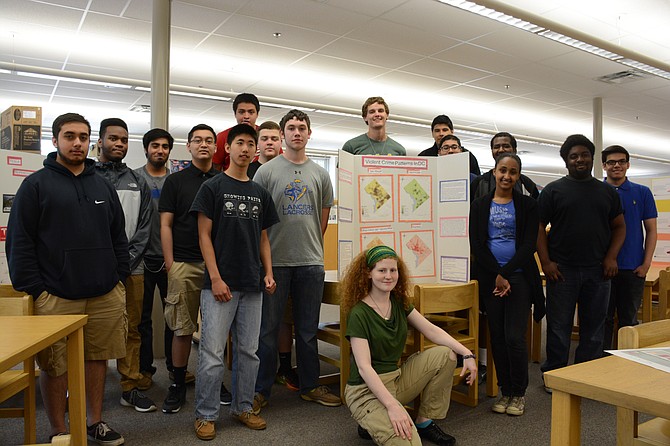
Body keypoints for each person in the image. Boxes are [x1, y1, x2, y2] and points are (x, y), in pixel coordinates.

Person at [6, 112, 129, 445]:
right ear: (55, 140)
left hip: (104, 293)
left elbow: (119, 236)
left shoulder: (102, 185)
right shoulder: (35, 186)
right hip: (57, 296)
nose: (78, 143)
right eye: (70, 136)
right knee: (55, 365)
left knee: (97, 358)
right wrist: (37, 291)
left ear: (91, 141)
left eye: (84, 137)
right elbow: (19, 243)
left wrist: (118, 278)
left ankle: (95, 422)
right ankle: (59, 429)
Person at [191, 124, 280, 440]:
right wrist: (215, 278)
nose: (245, 148)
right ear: (226, 149)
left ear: (255, 151)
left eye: (250, 144)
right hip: (220, 285)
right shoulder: (212, 187)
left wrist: (268, 273)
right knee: (212, 353)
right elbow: (203, 236)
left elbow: (264, 239)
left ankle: (243, 407)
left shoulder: (259, 192)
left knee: (248, 351)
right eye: (238, 142)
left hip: (252, 284)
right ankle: (205, 414)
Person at [342, 246, 477, 446]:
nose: (388, 276)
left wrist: (466, 353)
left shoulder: (399, 303)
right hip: (365, 390)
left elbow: (431, 330)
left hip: (395, 380)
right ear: (368, 274)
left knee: (446, 354)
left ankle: (424, 422)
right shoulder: (359, 314)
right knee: (410, 443)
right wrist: (393, 407)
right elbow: (364, 368)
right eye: (381, 270)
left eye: (393, 270)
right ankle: (370, 417)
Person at [253, 109, 340, 411]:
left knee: (306, 330)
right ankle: (260, 391)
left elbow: (323, 218)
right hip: (275, 262)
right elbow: (259, 220)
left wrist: (310, 246)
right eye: (291, 128)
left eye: (302, 127)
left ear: (309, 133)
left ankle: (310, 386)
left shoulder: (320, 173)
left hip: (310, 263)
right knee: (267, 329)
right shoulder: (265, 172)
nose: (297, 133)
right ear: (282, 134)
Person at [538, 134, 625, 388]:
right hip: (561, 271)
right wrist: (546, 262)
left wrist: (611, 257)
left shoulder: (607, 192)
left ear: (592, 159)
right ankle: (555, 376)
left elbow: (620, 227)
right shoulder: (553, 191)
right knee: (558, 326)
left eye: (584, 155)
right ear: (566, 161)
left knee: (594, 327)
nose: (579, 159)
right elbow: (538, 227)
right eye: (574, 156)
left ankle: (587, 376)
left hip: (598, 271)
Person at [469, 153, 545, 416]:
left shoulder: (527, 205)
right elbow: (477, 244)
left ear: (518, 176)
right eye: (503, 170)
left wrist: (507, 273)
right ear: (494, 172)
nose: (507, 176)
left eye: (513, 172)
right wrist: (497, 274)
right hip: (490, 277)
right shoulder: (479, 204)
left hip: (519, 277)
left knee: (514, 337)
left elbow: (527, 245)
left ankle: (519, 393)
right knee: (497, 338)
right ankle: (505, 391)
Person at [94, 118, 156, 413]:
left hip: (132, 269)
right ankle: (79, 387)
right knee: (90, 328)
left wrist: (124, 263)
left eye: (124, 139)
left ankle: (129, 385)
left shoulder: (137, 180)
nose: (119, 144)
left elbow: (144, 227)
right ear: (101, 140)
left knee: (131, 327)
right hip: (93, 270)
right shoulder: (88, 177)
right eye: (113, 138)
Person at [159, 124, 221, 413]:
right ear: (189, 146)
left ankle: (214, 381)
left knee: (215, 331)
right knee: (182, 328)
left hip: (218, 268)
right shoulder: (175, 182)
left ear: (216, 146)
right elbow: (166, 224)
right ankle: (178, 382)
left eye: (209, 140)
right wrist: (171, 264)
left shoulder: (224, 179)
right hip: (184, 263)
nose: (204, 145)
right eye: (198, 140)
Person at [135, 128, 190, 386]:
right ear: (146, 149)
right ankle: (144, 370)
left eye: (165, 146)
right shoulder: (134, 179)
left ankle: (174, 367)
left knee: (173, 318)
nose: (160, 150)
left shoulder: (177, 182)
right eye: (155, 146)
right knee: (142, 320)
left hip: (172, 260)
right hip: (141, 261)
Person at [247, 120, 299, 390]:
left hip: (285, 256)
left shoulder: (289, 169)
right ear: (257, 143)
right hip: (255, 257)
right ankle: (257, 373)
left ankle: (284, 365)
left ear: (280, 141)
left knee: (284, 318)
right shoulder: (250, 171)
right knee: (262, 320)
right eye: (263, 138)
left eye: (273, 138)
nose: (269, 142)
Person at [601, 145, 658, 350]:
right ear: (604, 166)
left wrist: (646, 264)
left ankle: (628, 366)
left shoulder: (642, 192)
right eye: (611, 162)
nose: (617, 165)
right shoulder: (597, 191)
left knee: (629, 322)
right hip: (602, 268)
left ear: (628, 165)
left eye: (621, 161)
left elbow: (651, 230)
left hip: (632, 268)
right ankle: (600, 364)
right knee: (602, 320)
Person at [470, 132, 539, 201]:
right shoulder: (479, 183)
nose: (501, 150)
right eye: (496, 147)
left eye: (506, 146)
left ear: (514, 150)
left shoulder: (527, 184)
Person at [342, 97, 406, 156]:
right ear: (365, 117)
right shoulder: (351, 146)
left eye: (380, 111)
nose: (377, 114)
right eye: (372, 112)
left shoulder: (399, 150)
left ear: (387, 115)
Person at [213, 93, 260, 171]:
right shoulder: (223, 137)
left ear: (257, 114)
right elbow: (216, 169)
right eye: (241, 112)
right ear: (235, 114)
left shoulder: (267, 136)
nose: (246, 116)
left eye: (251, 112)